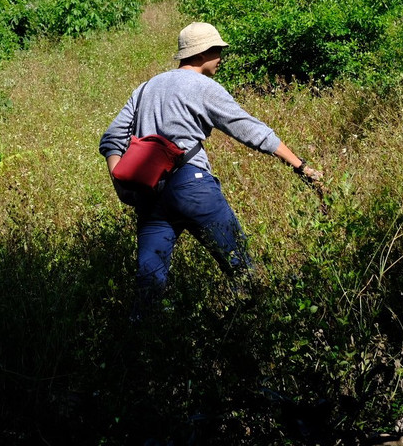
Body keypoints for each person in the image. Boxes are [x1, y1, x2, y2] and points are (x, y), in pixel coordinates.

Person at [100, 21, 324, 315]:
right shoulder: (203, 87)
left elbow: (112, 138)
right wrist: (300, 166)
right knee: (241, 267)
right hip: (192, 187)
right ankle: (254, 329)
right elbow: (250, 130)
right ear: (203, 52)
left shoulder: (145, 88)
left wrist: (121, 184)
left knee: (149, 284)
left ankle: (140, 346)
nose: (221, 58)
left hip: (149, 195)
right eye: (218, 51)